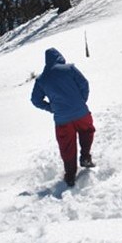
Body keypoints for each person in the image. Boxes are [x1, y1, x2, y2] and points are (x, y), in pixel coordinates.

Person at [30, 48, 96, 187]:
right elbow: (84, 84)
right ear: (60, 57)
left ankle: (70, 174)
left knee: (67, 145)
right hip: (81, 113)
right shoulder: (70, 69)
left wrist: (51, 108)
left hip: (62, 119)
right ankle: (85, 157)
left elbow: (36, 100)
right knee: (87, 131)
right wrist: (81, 100)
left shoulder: (42, 79)